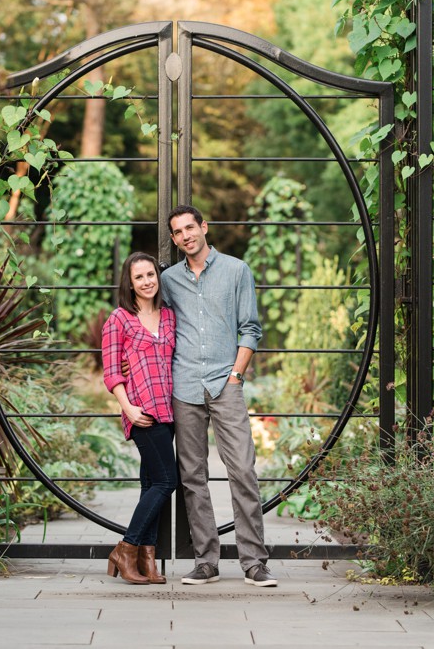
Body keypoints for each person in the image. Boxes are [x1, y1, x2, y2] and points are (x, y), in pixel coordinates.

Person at [160, 204, 277, 587]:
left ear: (204, 227)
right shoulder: (169, 280)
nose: (186, 236)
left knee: (242, 468)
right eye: (178, 232)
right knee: (192, 475)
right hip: (185, 385)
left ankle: (254, 562)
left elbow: (251, 328)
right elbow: (151, 324)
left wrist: (236, 375)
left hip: (226, 382)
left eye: (190, 228)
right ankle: (206, 560)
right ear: (175, 239)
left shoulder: (236, 271)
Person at [101, 251, 178, 585]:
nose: (147, 281)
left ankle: (148, 561)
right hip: (141, 411)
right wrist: (128, 408)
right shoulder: (119, 319)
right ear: (129, 284)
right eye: (139, 277)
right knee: (166, 481)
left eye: (151, 275)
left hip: (169, 410)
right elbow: (110, 371)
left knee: (150, 482)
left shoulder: (170, 316)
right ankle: (126, 548)